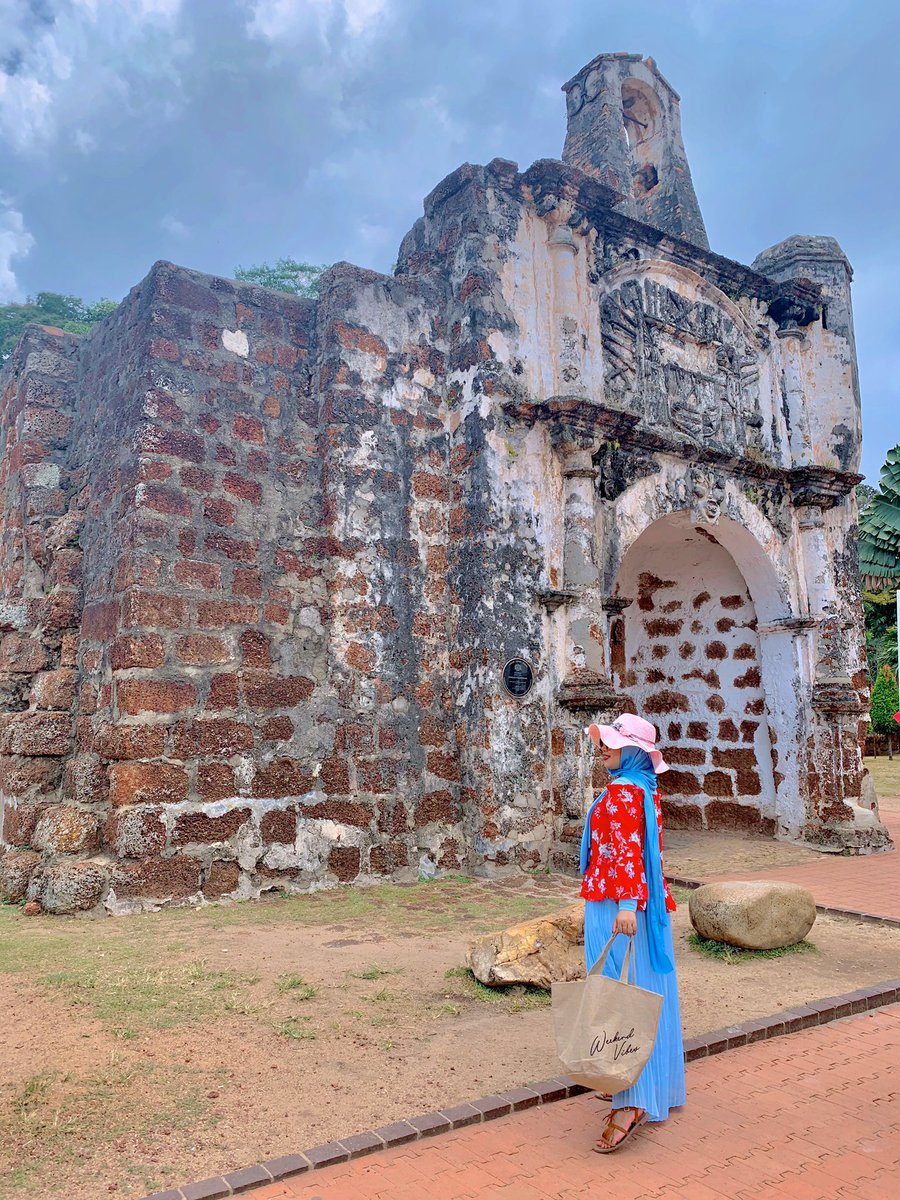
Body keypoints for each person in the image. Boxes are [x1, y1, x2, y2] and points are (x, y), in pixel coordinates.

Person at [580, 713, 685, 1153]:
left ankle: (633, 1098)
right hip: (642, 903)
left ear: (636, 750)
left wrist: (624, 904)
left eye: (612, 742)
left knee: (618, 993)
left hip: (617, 903)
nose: (604, 747)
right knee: (645, 987)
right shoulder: (644, 788)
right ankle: (654, 1084)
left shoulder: (624, 792)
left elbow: (626, 851)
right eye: (604, 741)